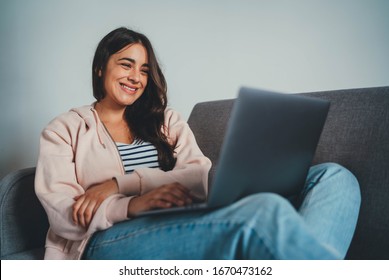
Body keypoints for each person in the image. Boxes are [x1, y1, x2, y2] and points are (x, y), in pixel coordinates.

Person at [35, 27, 361, 260]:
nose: (136, 77)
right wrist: (130, 204)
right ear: (100, 67)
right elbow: (62, 213)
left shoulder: (166, 120)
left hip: (183, 218)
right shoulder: (65, 128)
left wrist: (119, 183)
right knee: (264, 210)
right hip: (102, 242)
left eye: (144, 70)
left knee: (333, 176)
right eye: (126, 64)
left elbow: (197, 176)